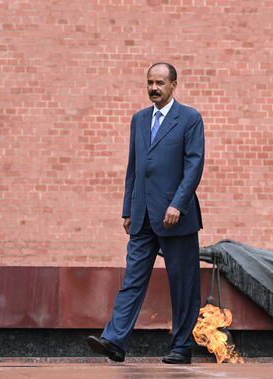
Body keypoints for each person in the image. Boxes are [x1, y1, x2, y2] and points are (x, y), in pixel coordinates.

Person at [86, 62, 205, 365]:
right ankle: (114, 341)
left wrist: (177, 203)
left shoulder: (189, 118)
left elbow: (194, 165)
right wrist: (127, 208)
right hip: (141, 216)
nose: (154, 88)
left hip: (175, 215)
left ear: (173, 85)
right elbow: (133, 168)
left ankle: (181, 346)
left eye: (160, 83)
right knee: (133, 279)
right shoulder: (139, 119)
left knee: (183, 283)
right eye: (150, 82)